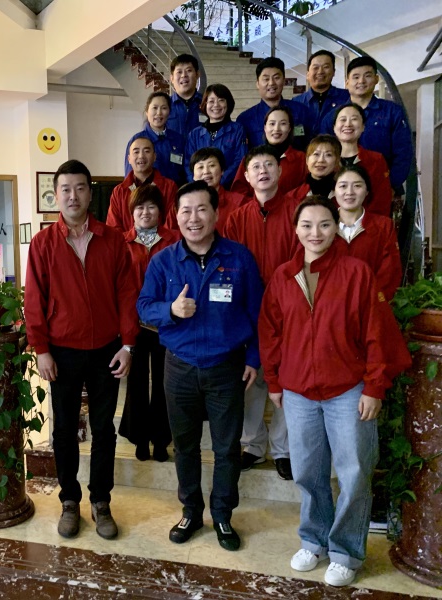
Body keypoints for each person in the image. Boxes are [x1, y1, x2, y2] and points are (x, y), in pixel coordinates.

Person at [259, 195, 410, 587]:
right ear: (295, 230)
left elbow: (375, 333)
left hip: (348, 390)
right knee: (308, 472)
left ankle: (346, 552)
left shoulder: (356, 273)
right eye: (307, 225)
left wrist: (374, 386)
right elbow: (270, 332)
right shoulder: (283, 276)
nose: (316, 233)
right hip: (299, 391)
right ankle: (314, 540)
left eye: (324, 224)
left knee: (355, 472)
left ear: (336, 228)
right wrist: (274, 380)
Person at [137, 180, 262, 552]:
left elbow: (259, 313)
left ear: (216, 213)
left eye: (201, 209)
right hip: (179, 367)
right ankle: (191, 511)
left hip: (226, 367)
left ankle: (222, 514)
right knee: (185, 446)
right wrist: (171, 310)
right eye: (186, 211)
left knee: (227, 448)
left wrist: (253, 358)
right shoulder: (163, 261)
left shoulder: (239, 258)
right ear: (175, 217)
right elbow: (144, 307)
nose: (194, 218)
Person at [25, 159, 139, 541]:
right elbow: (34, 300)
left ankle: (101, 501)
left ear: (90, 193)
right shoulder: (43, 244)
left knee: (104, 429)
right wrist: (41, 349)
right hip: (63, 351)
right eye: (65, 189)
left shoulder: (113, 240)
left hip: (107, 349)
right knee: (64, 429)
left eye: (79, 188)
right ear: (56, 195)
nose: (72, 196)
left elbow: (127, 295)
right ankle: (70, 501)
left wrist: (128, 344)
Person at [225, 146, 298, 481]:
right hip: (248, 310)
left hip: (288, 309)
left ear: (280, 172)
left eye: (270, 164)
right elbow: (230, 265)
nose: (264, 170)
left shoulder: (297, 212)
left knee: (286, 376)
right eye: (256, 166)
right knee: (251, 377)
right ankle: (253, 445)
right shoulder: (236, 218)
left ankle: (283, 450)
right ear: (247, 176)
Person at [119, 185, 180, 463]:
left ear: (161, 211)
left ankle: (161, 440)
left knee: (165, 384)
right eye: (139, 207)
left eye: (151, 206)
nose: (145, 212)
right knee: (137, 383)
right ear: (132, 213)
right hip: (133, 324)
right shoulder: (122, 242)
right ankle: (140, 438)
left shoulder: (175, 240)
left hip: (166, 323)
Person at [321, 55, 412, 198]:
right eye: (356, 77)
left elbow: (403, 154)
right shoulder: (332, 116)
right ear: (347, 83)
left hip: (383, 188)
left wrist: (389, 186)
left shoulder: (392, 112)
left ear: (376, 79)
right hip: (341, 192)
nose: (361, 81)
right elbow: (324, 151)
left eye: (367, 76)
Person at [335, 165, 402, 301]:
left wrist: (368, 300)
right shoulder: (322, 226)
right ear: (334, 190)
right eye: (343, 186)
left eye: (357, 186)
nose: (349, 192)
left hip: (370, 304)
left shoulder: (384, 226)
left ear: (367, 191)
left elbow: (390, 272)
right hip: (330, 305)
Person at [236, 57, 314, 151]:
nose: (271, 83)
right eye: (266, 79)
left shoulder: (302, 112)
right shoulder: (245, 119)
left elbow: (311, 147)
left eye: (276, 78)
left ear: (284, 81)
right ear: (257, 83)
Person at [230, 106, 307, 197]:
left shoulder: (301, 158)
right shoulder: (250, 158)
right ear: (265, 128)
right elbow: (238, 194)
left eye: (283, 123)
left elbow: (306, 190)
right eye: (272, 124)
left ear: (290, 128)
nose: (276, 129)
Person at [332, 103, 393, 217]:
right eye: (343, 120)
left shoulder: (376, 160)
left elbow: (382, 200)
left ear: (363, 127)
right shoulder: (325, 161)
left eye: (354, 119)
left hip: (367, 224)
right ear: (334, 127)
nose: (348, 124)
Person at [185, 84, 247, 189]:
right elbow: (188, 164)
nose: (216, 105)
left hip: (229, 189)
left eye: (221, 100)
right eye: (211, 101)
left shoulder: (237, 130)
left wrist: (218, 182)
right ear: (205, 104)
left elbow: (240, 160)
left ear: (228, 103)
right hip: (200, 190)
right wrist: (199, 185)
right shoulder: (194, 134)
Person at [107, 137, 177, 231]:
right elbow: (113, 229)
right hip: (126, 241)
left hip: (163, 240)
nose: (141, 156)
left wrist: (156, 240)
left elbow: (172, 225)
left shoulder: (169, 187)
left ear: (154, 157)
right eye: (136, 152)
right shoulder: (119, 191)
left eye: (146, 151)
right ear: (129, 159)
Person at [124, 91, 187, 185]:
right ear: (147, 111)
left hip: (174, 192)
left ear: (169, 112)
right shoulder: (136, 141)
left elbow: (184, 172)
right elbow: (129, 177)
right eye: (155, 108)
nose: (159, 113)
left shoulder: (178, 140)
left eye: (164, 108)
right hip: (147, 193)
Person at [190, 147, 247, 235]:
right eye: (200, 167)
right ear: (193, 175)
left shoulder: (240, 203)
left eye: (212, 165)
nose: (206, 171)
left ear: (222, 170)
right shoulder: (183, 204)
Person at [293, 50, 350, 133]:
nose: (320, 72)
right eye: (315, 68)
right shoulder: (296, 103)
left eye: (326, 67)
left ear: (333, 72)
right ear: (308, 74)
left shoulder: (347, 98)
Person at [285, 135, 341, 204]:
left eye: (328, 155)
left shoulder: (345, 194)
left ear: (337, 161)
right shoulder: (292, 197)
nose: (321, 160)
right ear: (307, 160)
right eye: (316, 154)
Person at [166, 54, 203, 139]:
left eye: (189, 70)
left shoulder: (208, 104)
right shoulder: (165, 106)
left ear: (197, 74)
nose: (183, 75)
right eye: (179, 72)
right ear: (172, 78)